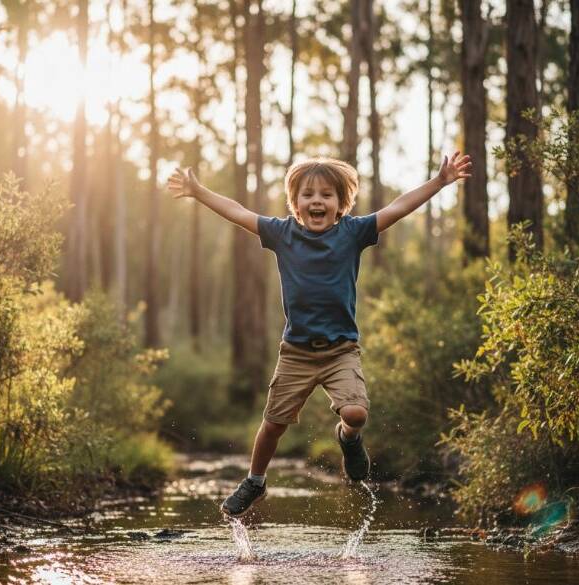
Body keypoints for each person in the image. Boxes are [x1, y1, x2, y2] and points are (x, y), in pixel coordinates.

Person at [167, 152, 472, 518]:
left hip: (341, 350)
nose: (317, 201)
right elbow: (237, 211)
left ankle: (348, 438)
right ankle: (255, 481)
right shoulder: (282, 234)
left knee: (356, 412)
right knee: (273, 424)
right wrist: (199, 191)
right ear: (295, 203)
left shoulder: (353, 232)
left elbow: (398, 207)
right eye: (308, 195)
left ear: (342, 204)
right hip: (295, 353)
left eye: (326, 195)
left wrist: (439, 182)